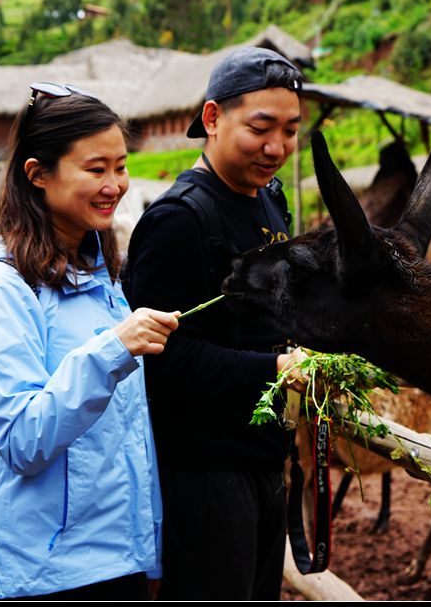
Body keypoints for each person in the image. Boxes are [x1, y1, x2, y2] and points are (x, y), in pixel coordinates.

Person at [0, 83, 178, 600]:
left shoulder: (96, 272)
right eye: (96, 169)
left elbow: (127, 436)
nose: (114, 184)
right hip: (44, 574)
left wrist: (149, 545)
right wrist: (112, 350)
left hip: (116, 561)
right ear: (37, 174)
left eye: (120, 166)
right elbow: (24, 440)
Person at [123, 46, 309, 600]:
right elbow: (160, 360)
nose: (277, 147)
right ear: (212, 118)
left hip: (264, 460)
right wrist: (274, 368)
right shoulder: (177, 221)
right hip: (202, 476)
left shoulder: (269, 203)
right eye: (261, 127)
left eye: (291, 130)